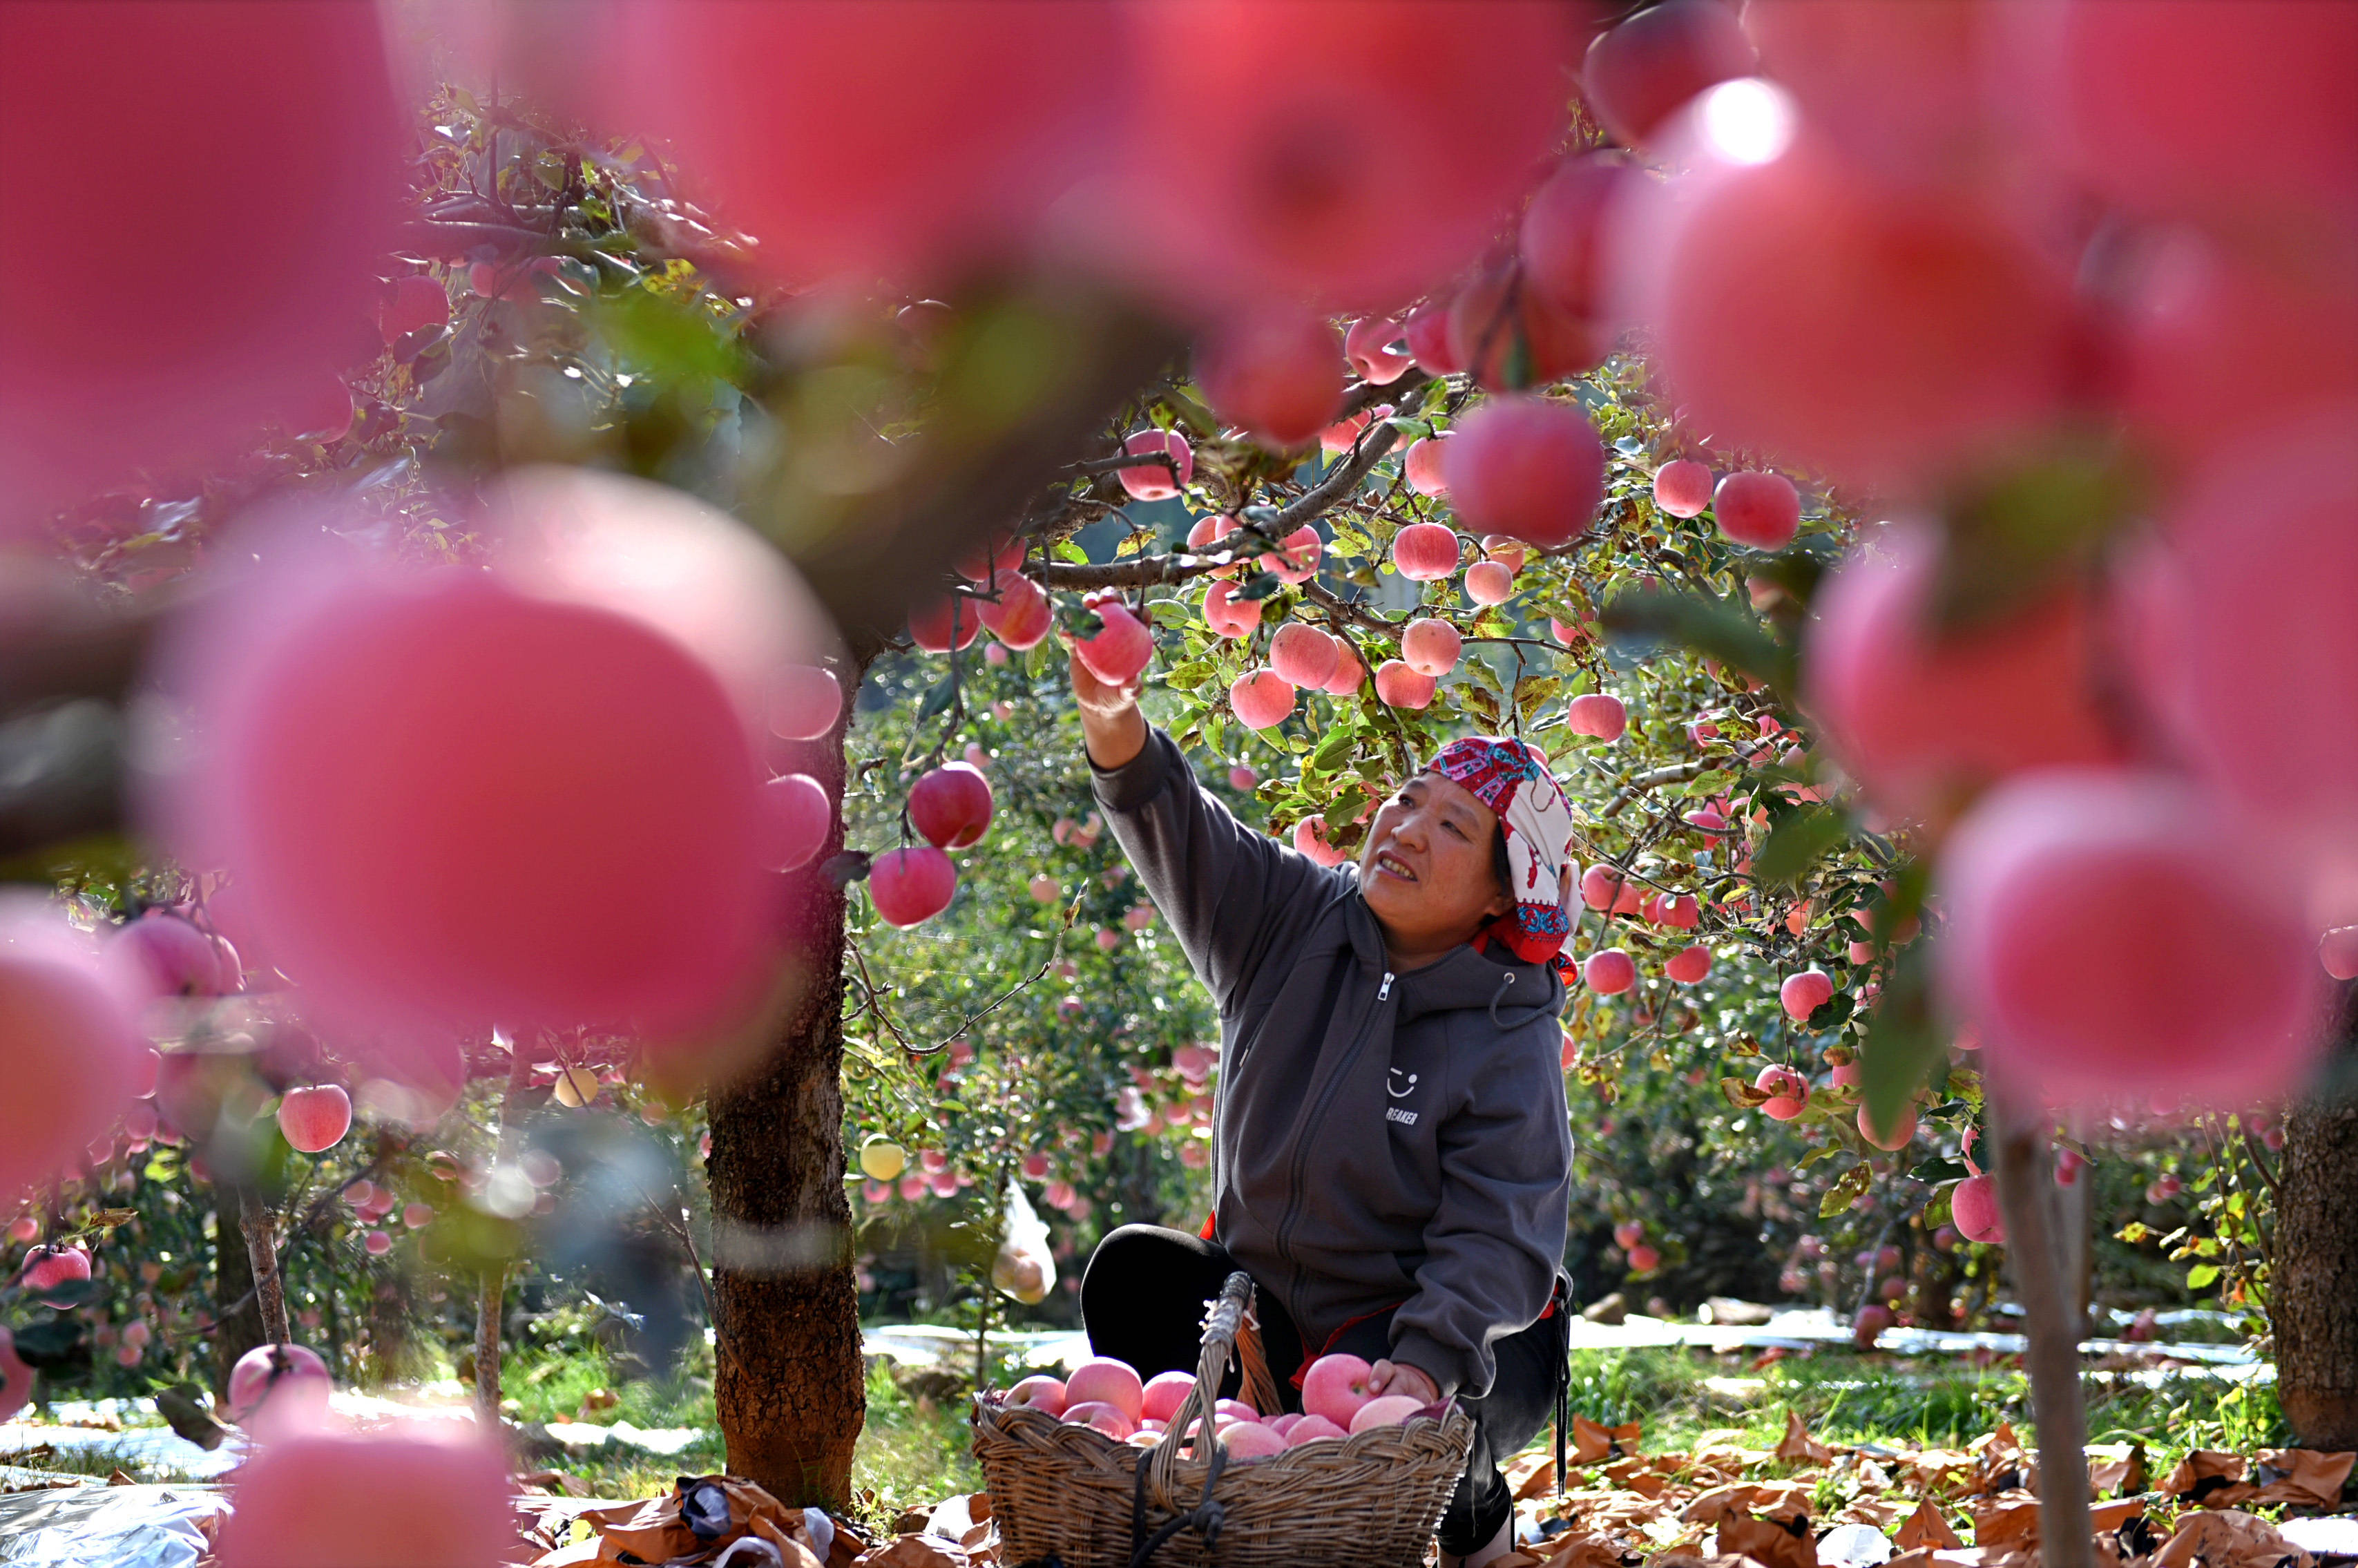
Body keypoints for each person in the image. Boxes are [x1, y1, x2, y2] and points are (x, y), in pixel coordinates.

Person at [1070, 644, 1577, 1568]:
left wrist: (1423, 1356)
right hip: (1260, 1311)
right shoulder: (1288, 922)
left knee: (1427, 1408)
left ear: (1503, 892)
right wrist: (1113, 719)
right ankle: (1231, 1478)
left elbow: (1499, 1231)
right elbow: (1179, 826)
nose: (1408, 827)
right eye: (1408, 797)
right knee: (1134, 1269)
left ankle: (1469, 1517)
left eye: (1454, 826)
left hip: (1448, 1335)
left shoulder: (1508, 1029)